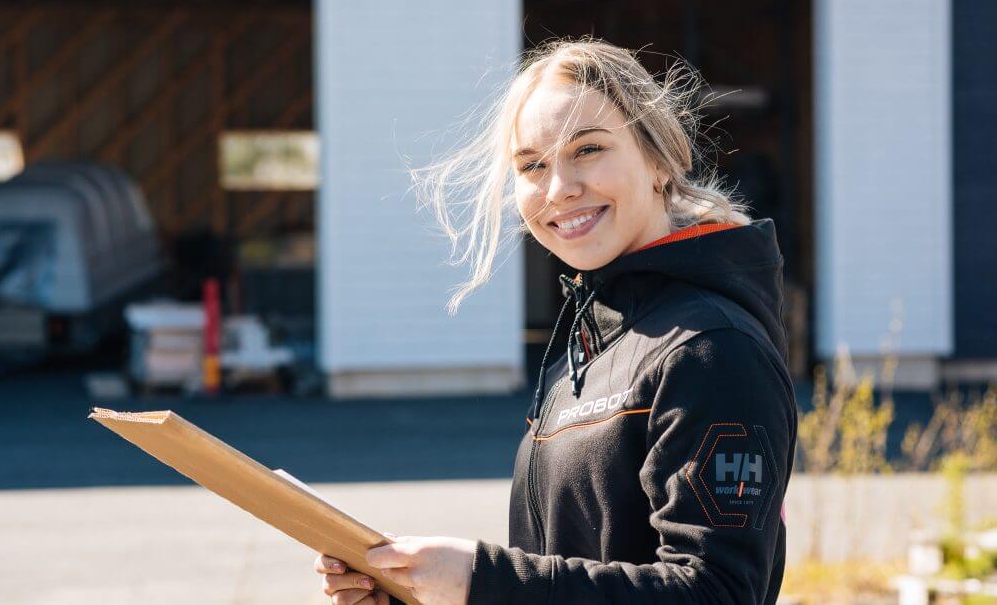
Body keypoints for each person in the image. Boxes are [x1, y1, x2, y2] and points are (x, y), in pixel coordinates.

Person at [315, 38, 797, 605]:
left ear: (660, 161)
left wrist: (483, 580)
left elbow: (717, 593)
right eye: (532, 165)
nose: (558, 188)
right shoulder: (594, 339)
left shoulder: (711, 350)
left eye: (588, 149)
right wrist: (421, 593)